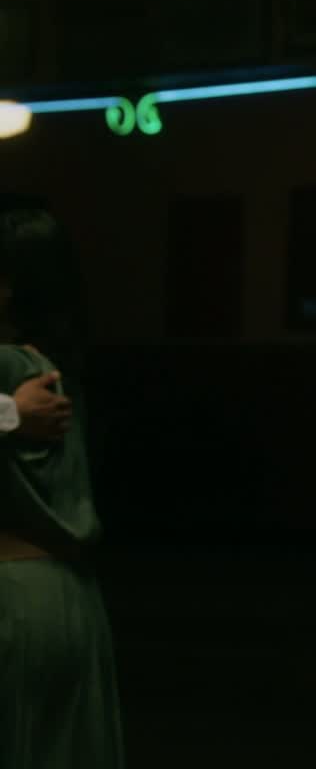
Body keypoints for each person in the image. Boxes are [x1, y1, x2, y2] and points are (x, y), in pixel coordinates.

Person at [0, 209, 123, 768]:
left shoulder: (8, 368)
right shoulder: (59, 365)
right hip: (71, 595)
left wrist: (6, 413)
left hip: (13, 597)